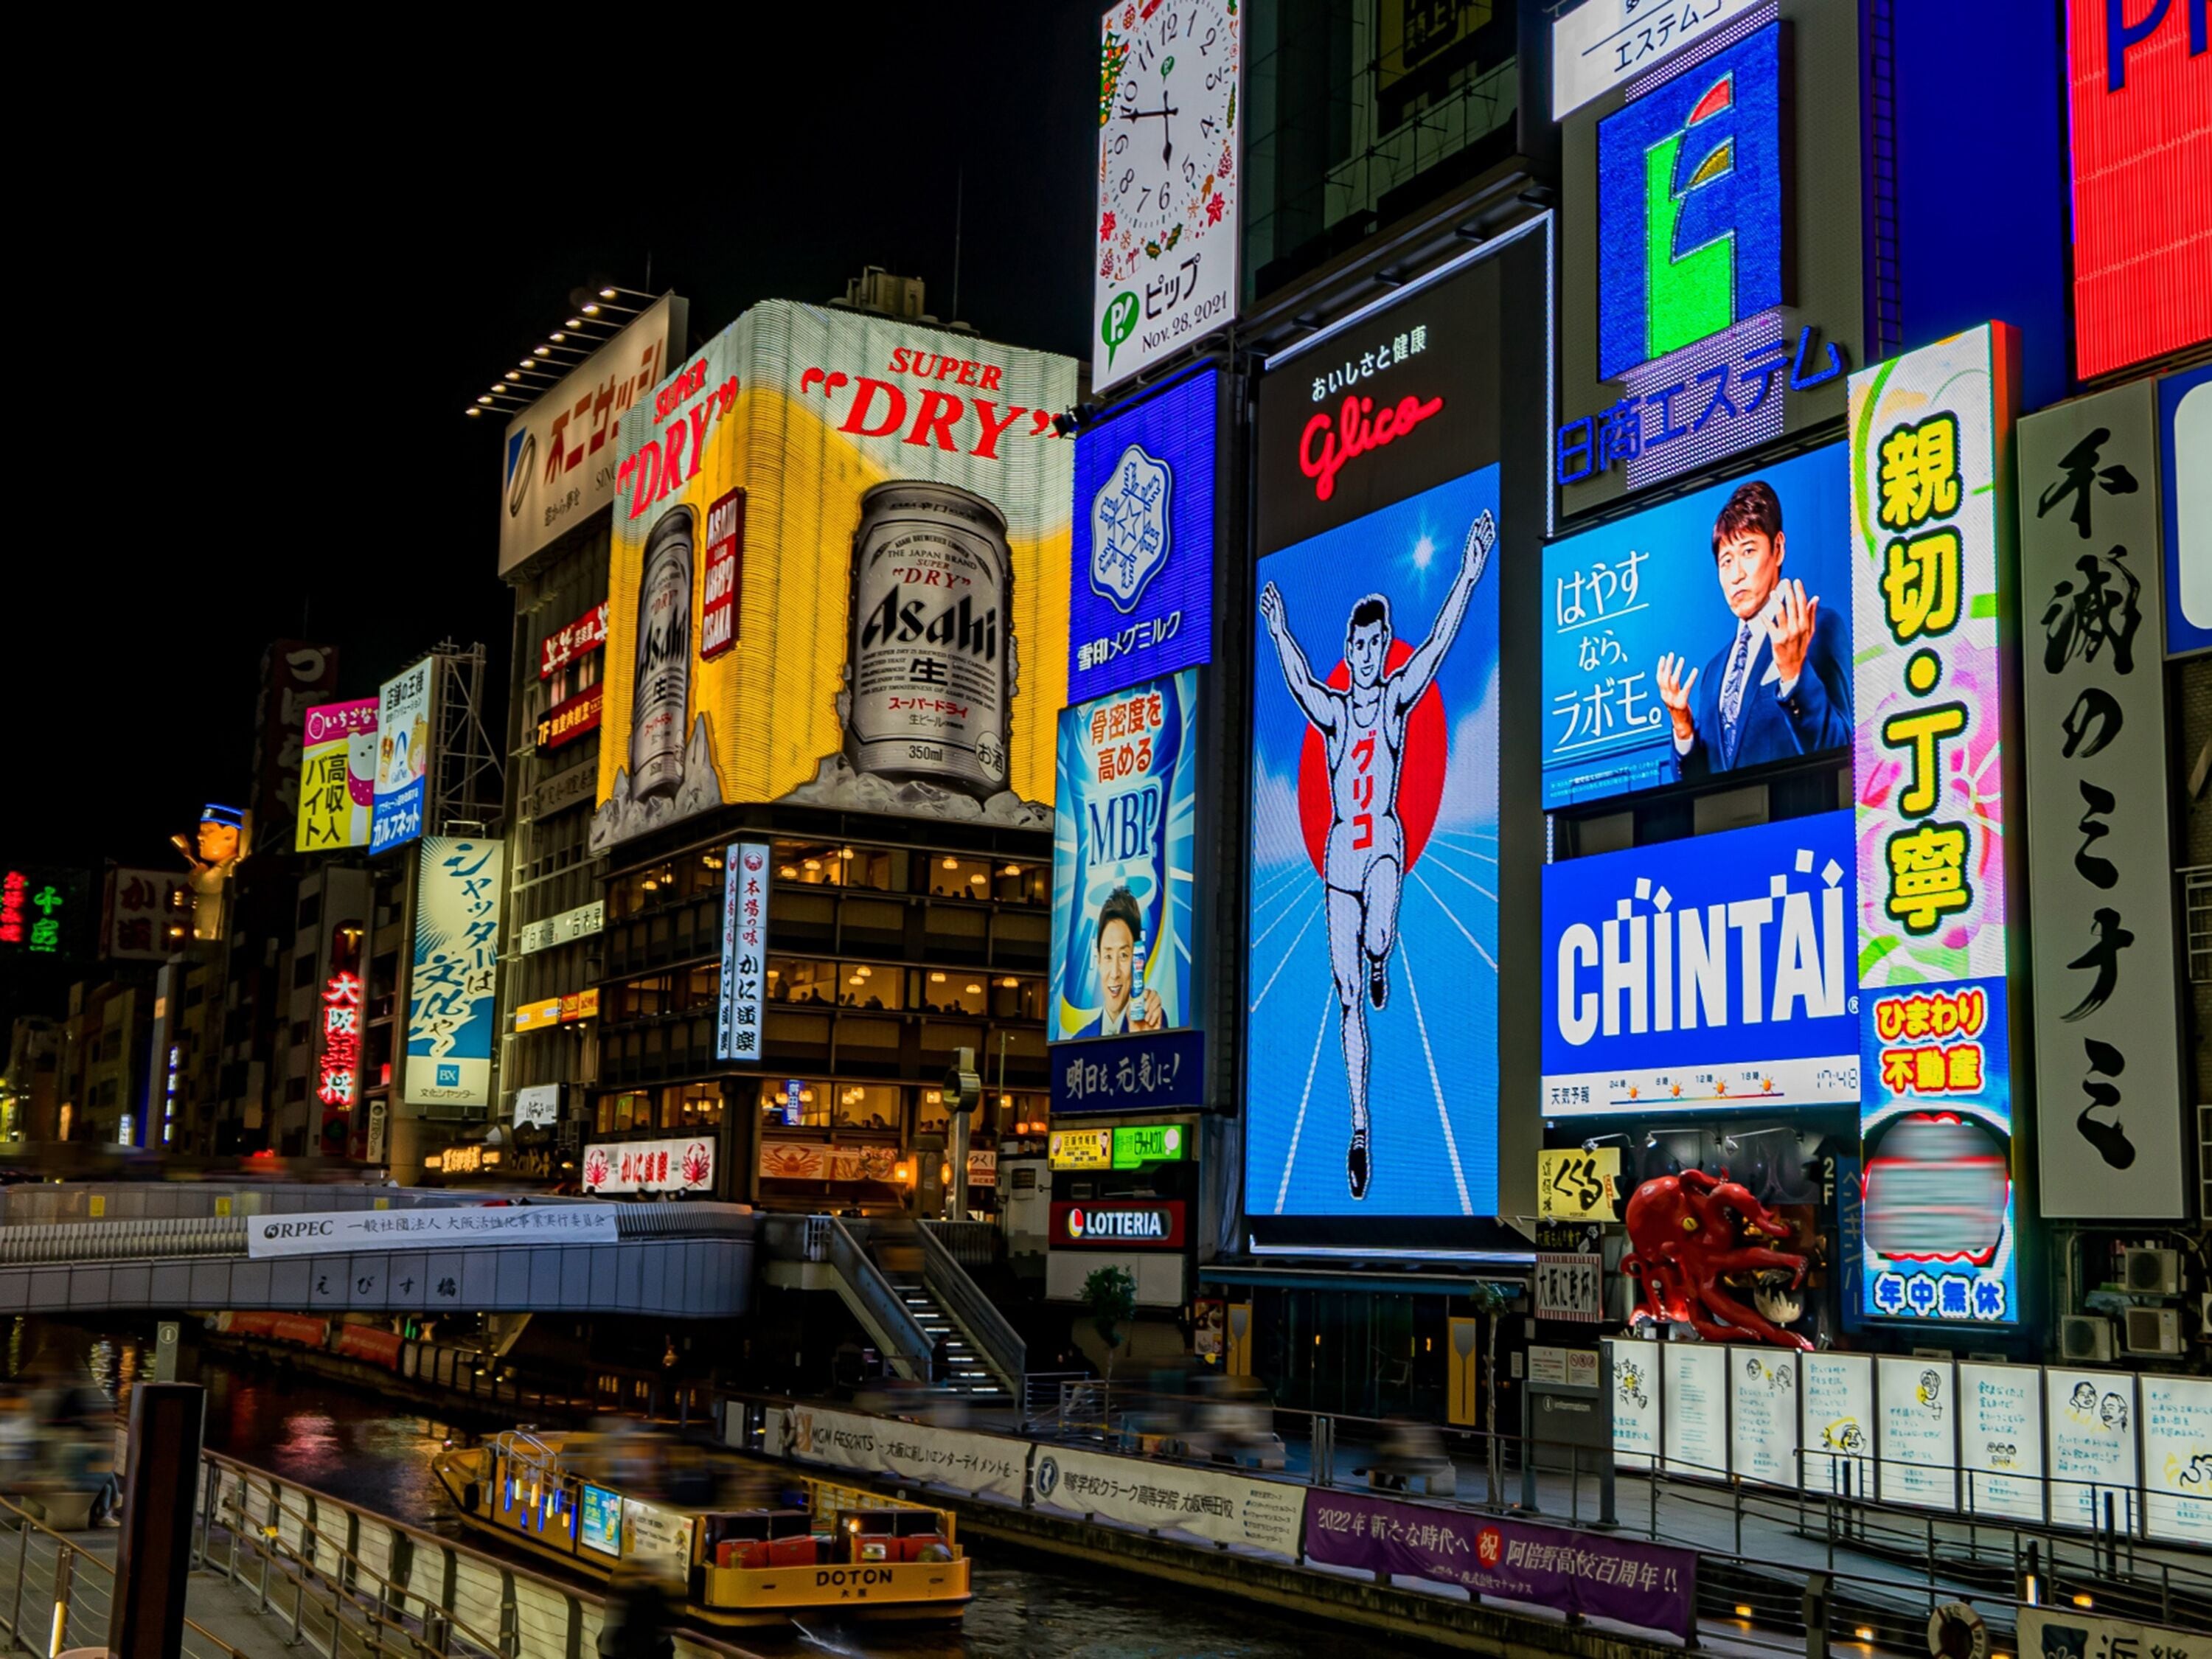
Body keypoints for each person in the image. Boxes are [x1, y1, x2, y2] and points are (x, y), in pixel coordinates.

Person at [1259, 508, 1495, 1199]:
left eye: (1375, 643)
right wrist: (1278, 630)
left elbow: (1441, 645)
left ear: (1385, 645)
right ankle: (1360, 1127)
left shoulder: (1393, 703)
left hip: (1383, 845)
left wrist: (1469, 572)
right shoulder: (1336, 714)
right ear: (1350, 646)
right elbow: (1301, 684)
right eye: (1357, 645)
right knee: (1347, 996)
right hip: (1341, 860)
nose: (1366, 654)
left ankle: (1383, 954)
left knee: (1378, 936)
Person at [1655, 479, 1851, 777]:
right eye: (1726, 561)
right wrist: (1683, 728)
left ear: (1778, 548)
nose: (1736, 575)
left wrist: (1794, 676)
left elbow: (1844, 752)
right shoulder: (1714, 672)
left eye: (1748, 552)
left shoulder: (1817, 627)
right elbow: (1699, 787)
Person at [1066, 886, 1166, 1037]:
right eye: (1108, 956)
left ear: (1136, 959)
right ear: (1098, 959)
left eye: (1123, 955)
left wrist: (1143, 1039)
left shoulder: (1152, 1020)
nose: (1114, 973)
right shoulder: (1080, 1039)